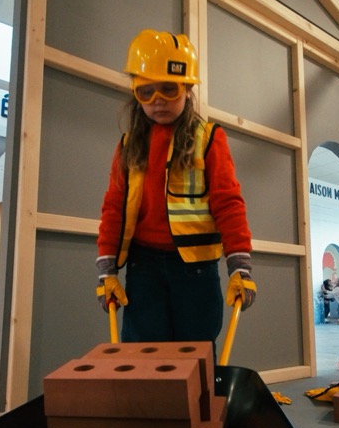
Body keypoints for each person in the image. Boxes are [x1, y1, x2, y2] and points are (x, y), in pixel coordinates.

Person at [95, 29, 256, 345]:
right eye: (146, 92)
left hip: (196, 270)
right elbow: (113, 208)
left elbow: (228, 203)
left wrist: (240, 266)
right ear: (136, 94)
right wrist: (106, 271)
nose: (158, 101)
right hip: (143, 268)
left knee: (194, 354)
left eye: (169, 89)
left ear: (188, 89)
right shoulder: (128, 146)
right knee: (144, 355)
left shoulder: (208, 139)